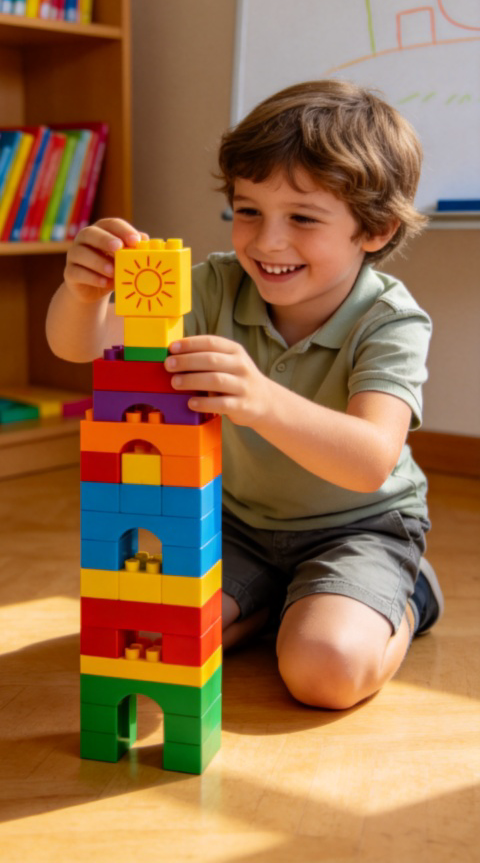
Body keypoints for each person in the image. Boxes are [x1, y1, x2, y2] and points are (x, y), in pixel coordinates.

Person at [47, 79, 443, 711]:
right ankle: (272, 601)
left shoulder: (390, 321)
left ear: (374, 229)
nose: (267, 242)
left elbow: (370, 461)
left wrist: (261, 399)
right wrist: (83, 293)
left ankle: (406, 596)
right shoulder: (212, 285)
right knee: (148, 636)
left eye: (303, 219)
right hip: (233, 523)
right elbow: (79, 347)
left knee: (325, 671)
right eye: (248, 210)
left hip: (359, 527)